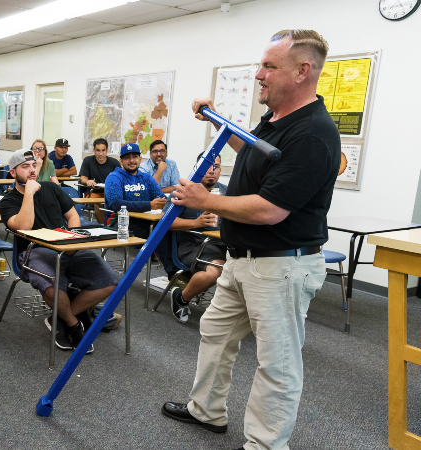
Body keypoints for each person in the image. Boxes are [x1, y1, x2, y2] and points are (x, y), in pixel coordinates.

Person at [162, 29, 340, 450]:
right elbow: (257, 152)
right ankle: (206, 411)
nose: (258, 74)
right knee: (216, 333)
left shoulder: (313, 133)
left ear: (302, 71)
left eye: (269, 67)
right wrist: (219, 118)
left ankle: (264, 445)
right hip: (242, 260)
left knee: (276, 364)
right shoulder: (278, 118)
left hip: (280, 266)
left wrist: (207, 200)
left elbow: (270, 209)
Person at [0, 150, 121, 352]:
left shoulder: (50, 188)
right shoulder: (8, 201)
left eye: (33, 165)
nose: (31, 170)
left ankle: (61, 317)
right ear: (13, 173)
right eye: (24, 166)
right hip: (34, 252)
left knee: (110, 281)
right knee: (53, 286)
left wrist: (70, 240)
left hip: (65, 247)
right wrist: (28, 193)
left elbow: (73, 216)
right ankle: (73, 325)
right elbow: (24, 226)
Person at [165, 154, 227, 323]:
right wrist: (195, 222)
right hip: (193, 244)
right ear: (197, 168)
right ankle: (181, 297)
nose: (212, 171)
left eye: (216, 166)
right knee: (216, 270)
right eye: (207, 166)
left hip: (222, 243)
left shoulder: (226, 191)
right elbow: (165, 222)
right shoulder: (183, 191)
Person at [104, 143, 173, 277]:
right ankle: (173, 272)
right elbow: (116, 204)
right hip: (118, 224)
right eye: (127, 158)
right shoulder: (114, 177)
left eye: (135, 156)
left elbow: (161, 198)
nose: (131, 160)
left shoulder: (146, 178)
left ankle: (181, 269)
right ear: (121, 161)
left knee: (172, 227)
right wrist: (149, 205)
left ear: (140, 159)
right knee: (161, 230)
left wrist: (160, 202)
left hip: (144, 222)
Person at [78, 138, 120, 224]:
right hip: (94, 193)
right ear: (93, 150)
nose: (101, 154)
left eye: (103, 150)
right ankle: (103, 226)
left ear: (107, 150)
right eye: (98, 150)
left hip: (110, 193)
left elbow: (121, 179)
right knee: (98, 201)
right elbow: (83, 178)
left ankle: (115, 225)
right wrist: (88, 182)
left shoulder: (114, 163)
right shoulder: (88, 161)